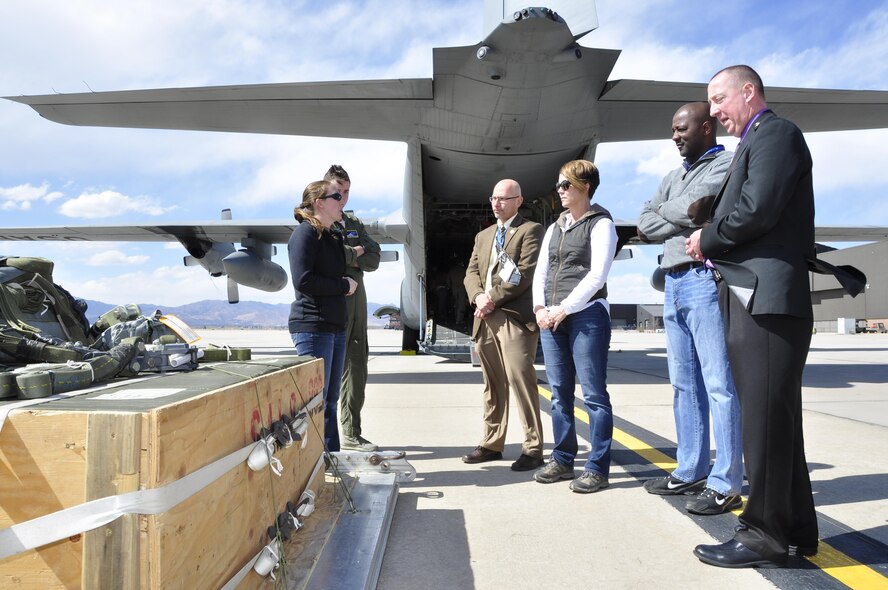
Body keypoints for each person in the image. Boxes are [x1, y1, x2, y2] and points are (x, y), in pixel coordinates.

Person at [686, 65, 819, 568]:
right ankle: (798, 529)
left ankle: (763, 533)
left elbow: (758, 208)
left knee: (763, 421)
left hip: (767, 300)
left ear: (749, 92)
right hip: (758, 299)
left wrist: (707, 238)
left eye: (720, 99)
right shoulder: (757, 141)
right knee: (777, 422)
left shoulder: (776, 133)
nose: (714, 111)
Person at [636, 102, 743, 515]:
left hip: (702, 280)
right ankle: (690, 469)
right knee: (683, 384)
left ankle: (726, 480)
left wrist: (673, 213)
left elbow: (699, 210)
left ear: (706, 126)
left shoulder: (726, 165)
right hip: (673, 284)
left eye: (682, 128)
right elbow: (647, 223)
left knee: (718, 383)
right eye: (673, 129)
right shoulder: (672, 176)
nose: (675, 136)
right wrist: (677, 215)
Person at [532, 160, 617, 493]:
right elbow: (541, 271)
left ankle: (597, 467)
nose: (560, 192)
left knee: (594, 396)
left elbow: (597, 276)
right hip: (551, 317)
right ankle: (563, 459)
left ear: (585, 188)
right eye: (558, 186)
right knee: (559, 395)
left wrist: (564, 309)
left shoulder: (601, 224)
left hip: (586, 316)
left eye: (565, 186)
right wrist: (540, 308)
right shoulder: (556, 227)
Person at [462, 179, 546, 472]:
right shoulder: (483, 236)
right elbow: (471, 272)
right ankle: (492, 443)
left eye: (504, 199)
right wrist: (477, 296)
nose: (497, 204)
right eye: (494, 198)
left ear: (518, 201)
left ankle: (533, 448)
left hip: (512, 318)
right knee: (492, 386)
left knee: (521, 382)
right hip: (484, 319)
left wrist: (491, 299)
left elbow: (524, 273)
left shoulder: (530, 230)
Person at [288, 180, 357, 453]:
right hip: (313, 326)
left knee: (329, 401)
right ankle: (313, 464)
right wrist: (343, 285)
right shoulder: (304, 234)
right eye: (336, 196)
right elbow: (303, 281)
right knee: (314, 402)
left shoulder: (332, 236)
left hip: (335, 327)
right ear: (319, 202)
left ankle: (331, 460)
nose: (342, 201)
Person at [324, 165, 382, 452]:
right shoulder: (320, 222)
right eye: (338, 191)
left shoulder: (353, 223)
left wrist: (351, 257)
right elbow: (329, 260)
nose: (343, 197)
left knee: (357, 368)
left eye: (346, 191)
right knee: (331, 376)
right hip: (335, 305)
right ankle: (326, 438)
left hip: (358, 306)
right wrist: (351, 253)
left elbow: (374, 258)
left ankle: (352, 432)